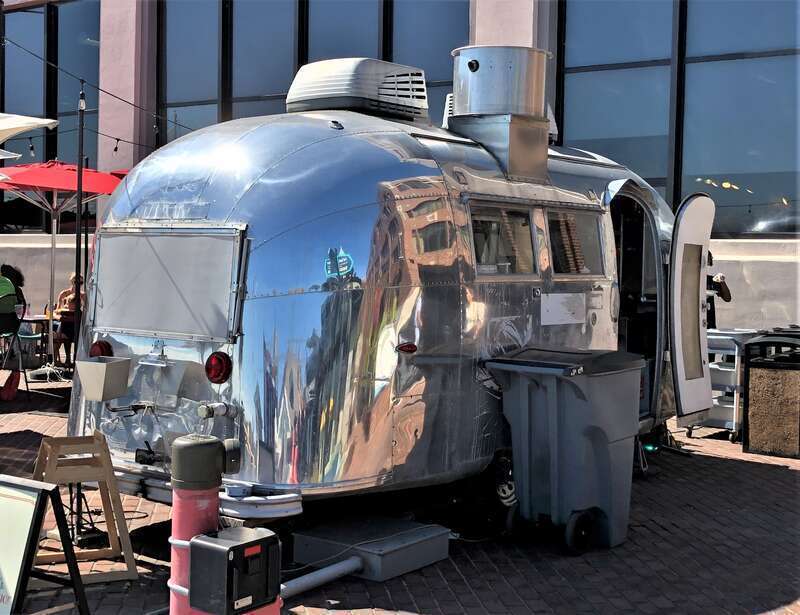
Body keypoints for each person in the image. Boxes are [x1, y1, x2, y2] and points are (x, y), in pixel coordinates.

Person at [53, 272, 85, 367]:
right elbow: (57, 310)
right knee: (63, 328)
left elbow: (86, 311)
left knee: (69, 330)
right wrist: (65, 311)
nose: (78, 285)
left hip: (75, 321)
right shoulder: (64, 294)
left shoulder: (83, 295)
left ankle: (70, 359)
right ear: (71, 282)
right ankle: (61, 358)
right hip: (64, 320)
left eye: (81, 283)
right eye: (76, 282)